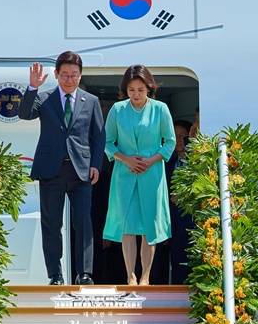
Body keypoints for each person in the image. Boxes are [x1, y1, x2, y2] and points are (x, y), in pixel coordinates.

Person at [18, 51, 106, 285]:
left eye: (74, 75)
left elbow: (99, 137)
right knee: (51, 224)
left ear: (81, 75)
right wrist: (32, 87)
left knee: (83, 221)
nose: (69, 79)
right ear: (56, 74)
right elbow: (24, 114)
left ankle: (84, 273)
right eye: (65, 74)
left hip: (81, 171)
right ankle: (55, 275)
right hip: (51, 170)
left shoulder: (91, 101)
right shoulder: (44, 98)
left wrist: (96, 165)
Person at [103, 65, 176, 285]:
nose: (135, 94)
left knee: (148, 226)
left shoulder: (160, 109)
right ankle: (130, 275)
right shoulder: (117, 109)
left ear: (149, 88)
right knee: (127, 225)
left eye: (141, 90)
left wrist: (151, 160)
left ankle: (145, 275)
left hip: (151, 174)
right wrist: (126, 159)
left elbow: (170, 142)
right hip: (124, 175)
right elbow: (107, 142)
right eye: (131, 90)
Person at [166, 119, 194, 285]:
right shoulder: (167, 165)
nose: (179, 140)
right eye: (174, 136)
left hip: (193, 224)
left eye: (183, 136)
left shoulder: (196, 164)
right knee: (177, 268)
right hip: (174, 226)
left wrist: (184, 197)